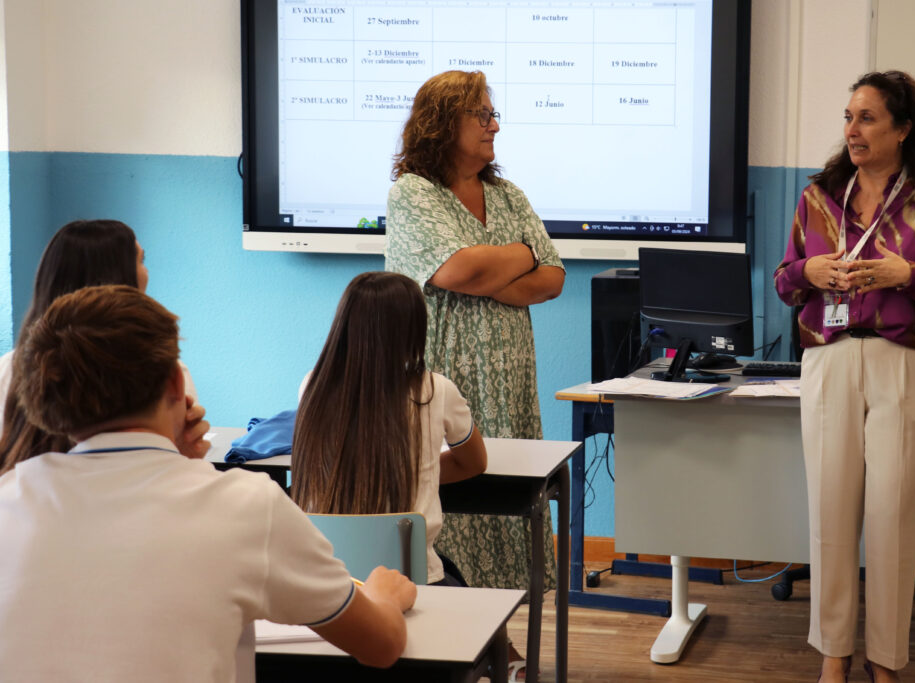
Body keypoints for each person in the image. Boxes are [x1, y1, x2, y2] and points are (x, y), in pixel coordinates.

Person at [0, 285, 416, 682]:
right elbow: (381, 646)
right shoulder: (246, 506)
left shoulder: (9, 498)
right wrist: (385, 596)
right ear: (175, 384)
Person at [775, 71, 915, 683]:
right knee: (830, 514)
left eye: (866, 118)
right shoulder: (818, 196)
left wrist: (905, 276)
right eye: (847, 117)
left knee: (892, 518)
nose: (852, 130)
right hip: (830, 358)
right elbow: (785, 283)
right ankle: (833, 655)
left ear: (902, 128)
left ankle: (884, 661)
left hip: (907, 365)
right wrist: (810, 268)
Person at [385, 70, 565, 601]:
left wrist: (494, 273)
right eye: (482, 115)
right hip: (444, 370)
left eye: (493, 114)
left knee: (510, 498)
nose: (494, 127)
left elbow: (552, 278)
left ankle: (504, 638)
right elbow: (459, 271)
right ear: (443, 124)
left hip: (507, 379)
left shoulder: (506, 195)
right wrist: (521, 256)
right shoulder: (413, 194)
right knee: (448, 505)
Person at [292, 271, 488, 587]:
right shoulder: (435, 391)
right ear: (413, 330)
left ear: (343, 325)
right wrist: (417, 472)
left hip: (327, 579)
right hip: (410, 579)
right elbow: (474, 462)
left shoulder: (312, 385)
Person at [0, 219, 202, 470]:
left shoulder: (8, 369)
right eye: (141, 260)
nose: (146, 272)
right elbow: (172, 477)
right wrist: (188, 457)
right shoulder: (163, 373)